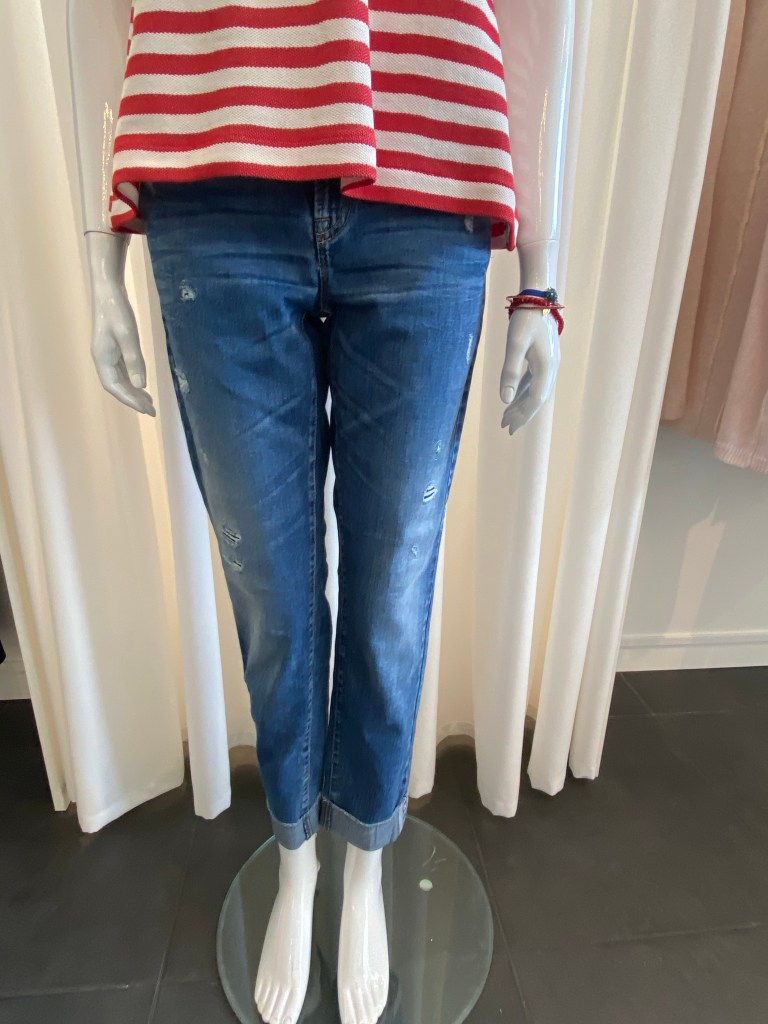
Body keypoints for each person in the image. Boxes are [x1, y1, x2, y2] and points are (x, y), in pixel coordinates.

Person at [66, 3, 573, 1022]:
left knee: (391, 596)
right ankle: (298, 856)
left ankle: (365, 860)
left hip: (431, 169)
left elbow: (538, 21)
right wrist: (98, 256)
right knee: (274, 598)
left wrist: (542, 276)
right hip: (213, 167)